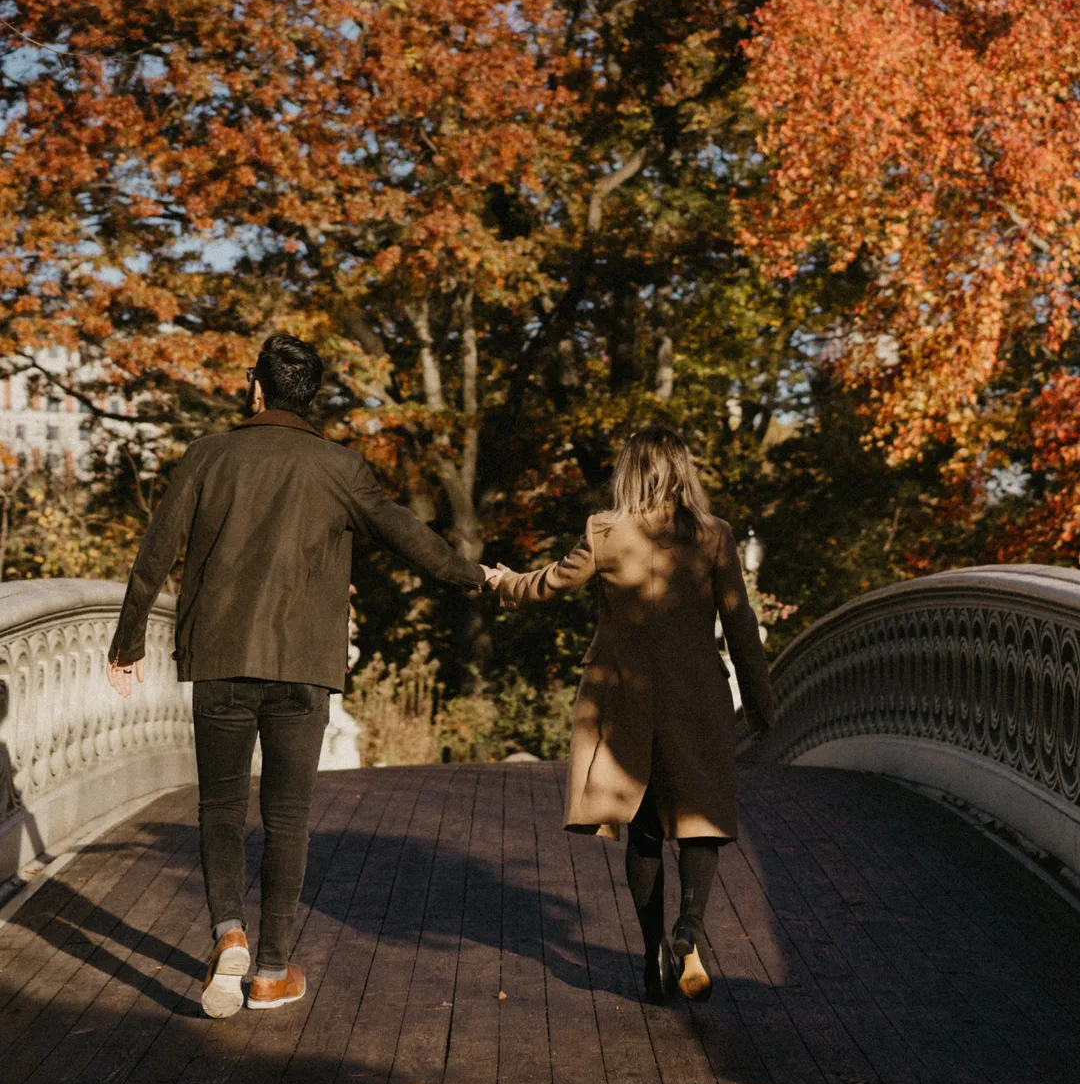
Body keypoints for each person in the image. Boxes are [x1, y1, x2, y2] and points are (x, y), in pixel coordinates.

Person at [107, 334, 486, 1018]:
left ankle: (228, 934)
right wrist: (475, 575)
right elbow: (407, 535)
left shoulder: (208, 455)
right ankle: (274, 970)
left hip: (220, 658)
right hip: (303, 667)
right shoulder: (339, 466)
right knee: (287, 818)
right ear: (310, 395)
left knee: (220, 808)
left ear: (256, 387)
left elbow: (154, 552)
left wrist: (127, 641)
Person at [488, 425, 774, 1004]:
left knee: (643, 831)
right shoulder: (714, 536)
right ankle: (689, 929)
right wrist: (761, 701)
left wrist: (501, 583)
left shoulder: (606, 532)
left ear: (629, 472)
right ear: (683, 472)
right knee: (700, 820)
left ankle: (653, 958)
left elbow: (546, 585)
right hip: (697, 694)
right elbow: (741, 624)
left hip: (624, 700)